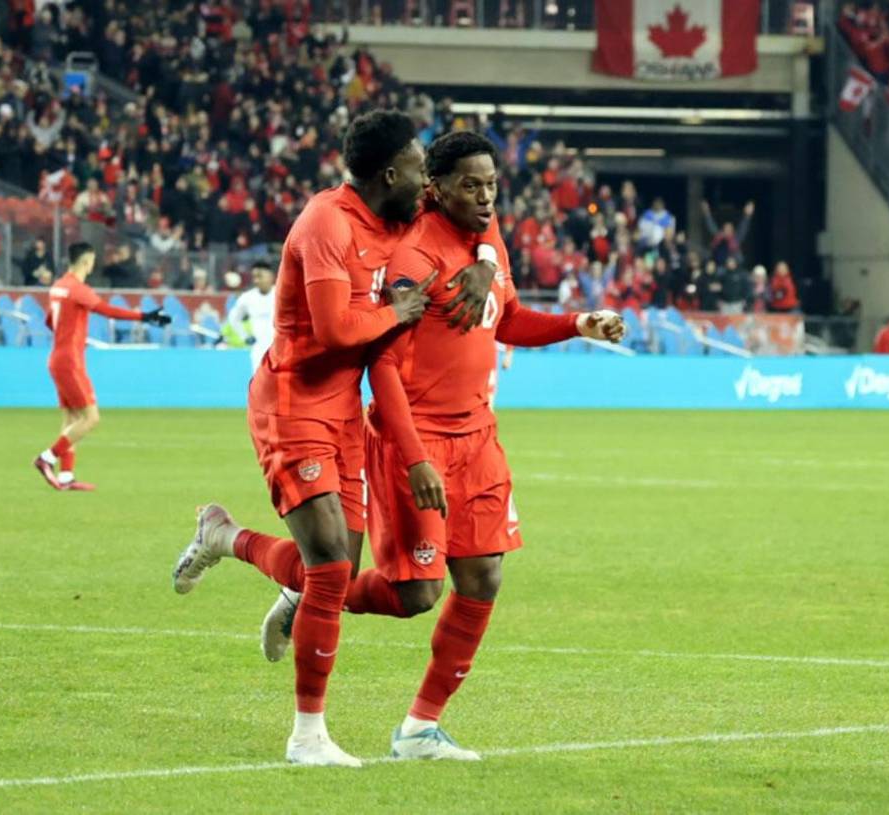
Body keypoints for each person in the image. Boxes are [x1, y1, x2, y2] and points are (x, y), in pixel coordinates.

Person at [252, 131, 625, 760]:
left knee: (483, 576)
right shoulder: (408, 256)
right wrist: (417, 457)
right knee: (412, 594)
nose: (485, 198)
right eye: (469, 186)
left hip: (479, 436)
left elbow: (504, 317)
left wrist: (577, 324)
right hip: (413, 440)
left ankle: (421, 727)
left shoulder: (489, 237)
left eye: (491, 187)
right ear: (434, 187)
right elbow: (383, 366)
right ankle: (287, 580)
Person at [169, 111, 496, 768]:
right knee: (327, 567)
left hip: (346, 405)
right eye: (417, 169)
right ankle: (308, 735)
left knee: (334, 569)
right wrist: (396, 312)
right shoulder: (326, 223)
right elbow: (333, 328)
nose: (429, 186)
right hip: (293, 399)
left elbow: (473, 212)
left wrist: (485, 261)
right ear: (391, 174)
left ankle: (224, 537)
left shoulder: (398, 213)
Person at [33, 243, 170, 492]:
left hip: (57, 357)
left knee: (72, 418)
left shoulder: (58, 287)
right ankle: (47, 458)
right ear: (87, 262)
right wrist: (144, 317)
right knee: (91, 418)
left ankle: (65, 476)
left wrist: (69, 333)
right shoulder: (78, 289)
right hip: (71, 361)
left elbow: (49, 321)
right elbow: (107, 310)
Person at [227, 261, 278, 372]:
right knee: (259, 385)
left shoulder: (281, 294)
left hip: (280, 349)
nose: (256, 280)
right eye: (254, 277)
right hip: (259, 350)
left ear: (271, 276)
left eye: (260, 276)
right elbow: (233, 318)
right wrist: (245, 336)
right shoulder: (247, 298)